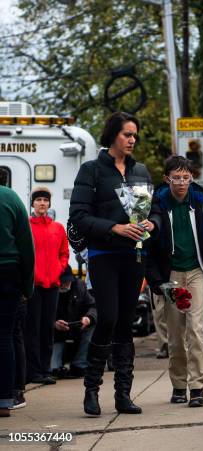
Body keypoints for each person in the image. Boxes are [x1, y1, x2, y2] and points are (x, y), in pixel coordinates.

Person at [69, 111, 159, 416]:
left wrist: (152, 225)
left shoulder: (141, 171)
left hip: (134, 255)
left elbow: (155, 211)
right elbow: (79, 218)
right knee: (107, 318)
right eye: (126, 134)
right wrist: (114, 228)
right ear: (113, 136)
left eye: (135, 135)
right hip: (104, 255)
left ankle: (124, 394)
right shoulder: (92, 170)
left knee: (125, 322)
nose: (132, 140)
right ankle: (91, 391)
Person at [146, 156, 203, 407]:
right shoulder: (155, 204)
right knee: (175, 333)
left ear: (191, 178)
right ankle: (179, 384)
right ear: (167, 179)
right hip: (170, 275)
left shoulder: (200, 203)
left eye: (186, 177)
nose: (182, 182)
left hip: (196, 272)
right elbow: (147, 247)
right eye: (176, 178)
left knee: (196, 329)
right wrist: (157, 280)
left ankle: (198, 386)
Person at [26, 186, 69, 385]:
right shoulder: (26, 227)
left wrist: (58, 269)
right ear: (32, 204)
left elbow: (64, 253)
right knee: (32, 329)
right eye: (38, 200)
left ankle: (45, 369)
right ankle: (32, 371)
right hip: (33, 286)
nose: (42, 203)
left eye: (45, 200)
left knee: (47, 328)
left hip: (52, 285)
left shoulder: (57, 228)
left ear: (49, 204)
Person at [0, 185, 35, 417]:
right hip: (7, 272)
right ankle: (4, 399)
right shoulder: (10, 197)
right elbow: (26, 244)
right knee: (4, 336)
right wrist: (27, 286)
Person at [51, 265, 97, 379]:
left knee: (92, 325)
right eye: (61, 282)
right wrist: (54, 324)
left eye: (66, 282)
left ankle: (79, 365)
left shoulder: (80, 286)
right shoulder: (50, 291)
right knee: (53, 369)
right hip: (56, 334)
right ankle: (55, 367)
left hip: (76, 330)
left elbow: (93, 306)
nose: (63, 284)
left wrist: (88, 318)